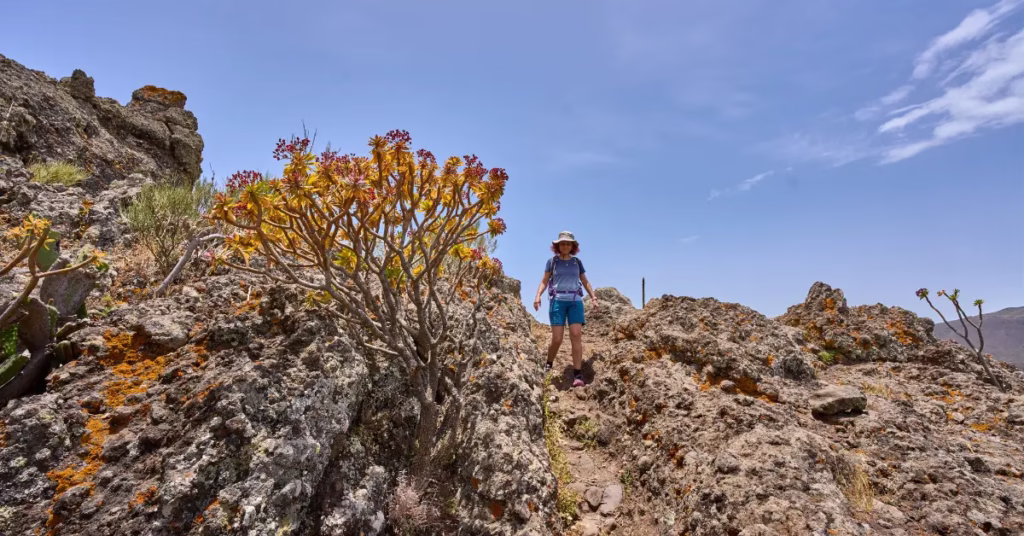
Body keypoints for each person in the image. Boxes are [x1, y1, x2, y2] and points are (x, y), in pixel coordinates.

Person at [533, 230, 598, 387]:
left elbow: (584, 280)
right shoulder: (552, 262)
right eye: (562, 243)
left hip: (575, 301)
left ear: (573, 246)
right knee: (557, 339)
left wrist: (594, 297)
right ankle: (549, 363)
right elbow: (544, 281)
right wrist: (537, 296)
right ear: (557, 246)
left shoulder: (577, 262)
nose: (565, 246)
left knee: (576, 335)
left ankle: (577, 374)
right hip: (557, 301)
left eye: (568, 243)